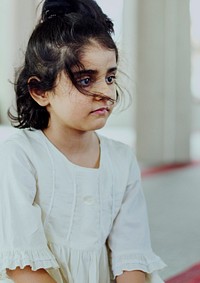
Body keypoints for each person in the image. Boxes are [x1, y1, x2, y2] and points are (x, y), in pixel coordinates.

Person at [0, 0, 166, 282]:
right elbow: (22, 266)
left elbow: (131, 257)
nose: (106, 92)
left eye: (110, 77)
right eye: (86, 80)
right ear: (40, 91)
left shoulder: (121, 159)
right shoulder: (18, 155)